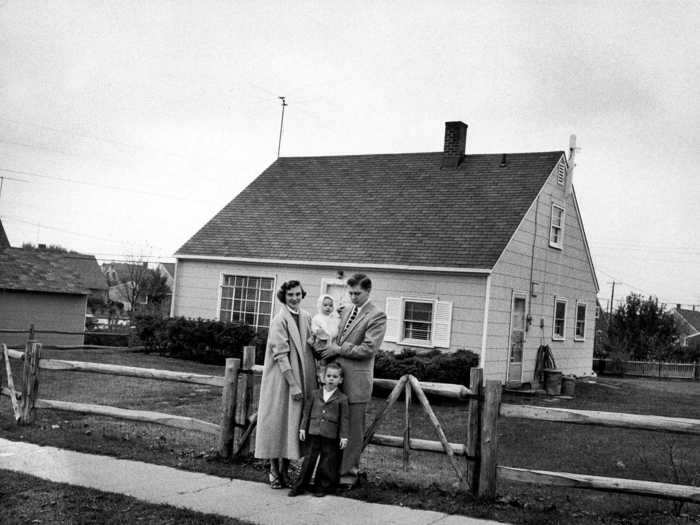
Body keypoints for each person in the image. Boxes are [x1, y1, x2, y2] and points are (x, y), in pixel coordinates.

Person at [318, 273, 386, 488]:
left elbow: (368, 349)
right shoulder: (345, 311)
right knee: (332, 429)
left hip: (356, 384)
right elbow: (333, 336)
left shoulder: (377, 315)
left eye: (358, 293)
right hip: (336, 381)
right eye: (351, 293)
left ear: (368, 291)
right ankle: (328, 475)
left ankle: (347, 477)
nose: (354, 297)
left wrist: (339, 349)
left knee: (353, 433)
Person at [254, 280, 317, 489]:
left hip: (303, 377)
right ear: (284, 296)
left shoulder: (306, 317)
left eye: (298, 294)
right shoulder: (279, 319)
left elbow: (312, 346)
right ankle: (273, 470)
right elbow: (280, 354)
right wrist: (293, 384)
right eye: (290, 295)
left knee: (293, 424)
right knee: (277, 422)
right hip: (282, 380)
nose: (295, 298)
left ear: (302, 295)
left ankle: (285, 470)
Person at [288, 362, 349, 497]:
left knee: (326, 461)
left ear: (340, 380)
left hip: (330, 435)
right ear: (323, 378)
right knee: (309, 459)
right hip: (314, 432)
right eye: (328, 376)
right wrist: (303, 428)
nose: (331, 379)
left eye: (335, 376)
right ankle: (299, 486)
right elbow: (307, 412)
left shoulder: (342, 398)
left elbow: (344, 419)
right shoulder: (315, 394)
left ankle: (320, 487)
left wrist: (344, 436)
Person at [310, 294, 340, 383]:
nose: (328, 308)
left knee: (332, 362)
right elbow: (314, 328)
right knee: (323, 360)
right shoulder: (317, 317)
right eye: (325, 305)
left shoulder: (334, 318)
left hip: (332, 343)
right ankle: (322, 377)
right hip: (321, 342)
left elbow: (336, 329)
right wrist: (318, 331)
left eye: (330, 305)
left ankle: (332, 377)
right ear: (320, 305)